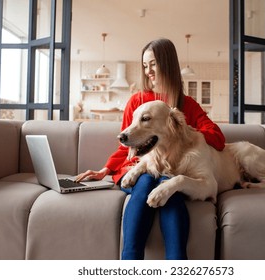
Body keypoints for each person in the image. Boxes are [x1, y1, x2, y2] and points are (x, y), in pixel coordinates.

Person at [76, 38, 225, 260]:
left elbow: (217, 138)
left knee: (169, 187)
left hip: (170, 169)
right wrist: (105, 170)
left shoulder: (187, 105)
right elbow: (124, 145)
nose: (148, 72)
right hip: (138, 167)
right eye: (145, 66)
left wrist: (182, 130)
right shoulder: (137, 100)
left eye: (153, 64)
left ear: (168, 63)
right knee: (146, 180)